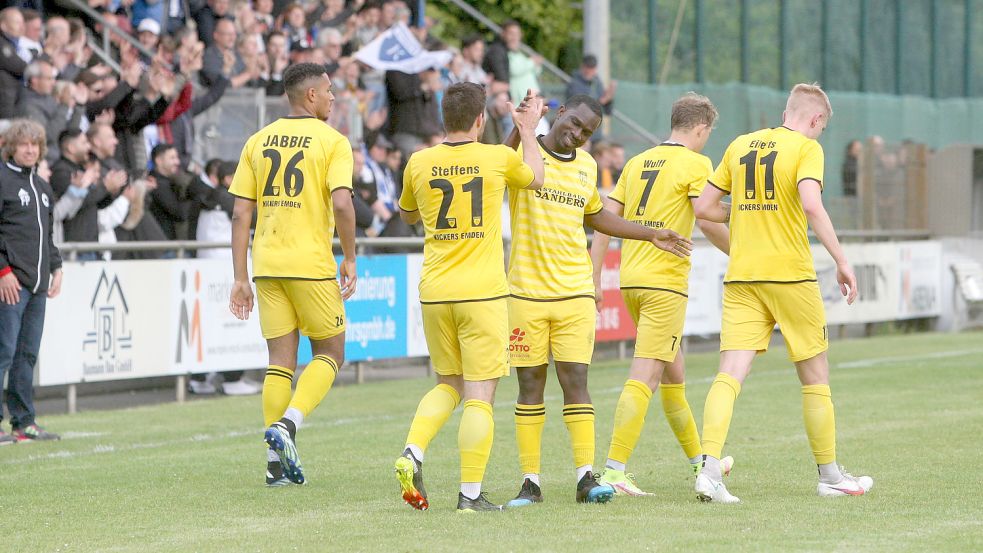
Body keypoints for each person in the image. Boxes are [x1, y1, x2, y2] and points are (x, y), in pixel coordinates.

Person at [500, 93, 694, 507]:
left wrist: (648, 232)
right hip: (526, 293)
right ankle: (530, 482)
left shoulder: (587, 167)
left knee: (577, 382)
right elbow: (498, 167)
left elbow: (596, 217)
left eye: (587, 133)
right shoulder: (525, 152)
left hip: (574, 292)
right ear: (561, 112)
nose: (578, 135)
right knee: (530, 384)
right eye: (575, 124)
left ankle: (586, 477)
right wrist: (521, 126)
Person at [691, 83, 872, 503]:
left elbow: (703, 209)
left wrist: (745, 213)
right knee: (814, 375)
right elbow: (811, 204)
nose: (819, 135)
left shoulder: (740, 145)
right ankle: (829, 476)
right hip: (790, 276)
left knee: (729, 374)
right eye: (821, 128)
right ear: (814, 119)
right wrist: (842, 261)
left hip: (742, 276)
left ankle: (710, 472)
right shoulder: (806, 149)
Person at [392, 82, 545, 512]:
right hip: (481, 293)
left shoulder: (419, 162)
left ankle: (413, 451)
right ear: (481, 119)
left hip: (435, 291)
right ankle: (470, 495)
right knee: (480, 395)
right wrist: (528, 129)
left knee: (448, 384)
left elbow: (407, 213)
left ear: (445, 118)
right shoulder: (496, 157)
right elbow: (536, 177)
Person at [589, 93, 732, 496]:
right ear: (702, 129)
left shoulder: (638, 162)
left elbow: (605, 222)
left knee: (674, 377)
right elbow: (706, 217)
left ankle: (702, 464)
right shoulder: (696, 163)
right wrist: (743, 251)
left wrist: (595, 276)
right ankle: (614, 471)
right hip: (664, 283)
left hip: (632, 279)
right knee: (647, 375)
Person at [228, 62, 358, 487]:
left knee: (279, 363)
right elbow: (341, 204)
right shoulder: (333, 142)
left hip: (267, 265)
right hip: (309, 264)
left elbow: (239, 212)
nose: (334, 97)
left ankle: (274, 465)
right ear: (311, 96)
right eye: (329, 90)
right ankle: (288, 424)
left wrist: (239, 277)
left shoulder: (258, 140)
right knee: (331, 352)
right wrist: (351, 257)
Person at [0, 119, 63, 444]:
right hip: (9, 283)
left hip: (37, 286)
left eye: (34, 145)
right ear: (11, 146)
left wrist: (57, 266)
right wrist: (3, 272)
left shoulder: (42, 186)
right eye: (23, 144)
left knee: (27, 356)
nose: (29, 149)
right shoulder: (2, 180)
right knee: (3, 353)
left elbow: (47, 236)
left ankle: (24, 422)